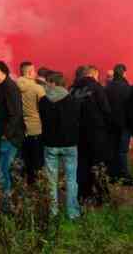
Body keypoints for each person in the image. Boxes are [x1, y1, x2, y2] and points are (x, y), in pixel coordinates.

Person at [39, 71, 81, 219]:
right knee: (71, 179)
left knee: (51, 180)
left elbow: (43, 120)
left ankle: (53, 212)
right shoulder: (74, 101)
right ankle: (73, 213)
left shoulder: (43, 101)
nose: (46, 85)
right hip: (70, 144)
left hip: (50, 144)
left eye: (48, 83)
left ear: (53, 83)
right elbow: (78, 121)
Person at [71, 65, 111, 205]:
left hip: (79, 134)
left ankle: (83, 195)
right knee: (98, 164)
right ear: (93, 75)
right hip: (96, 133)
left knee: (82, 164)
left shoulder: (73, 89)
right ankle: (102, 196)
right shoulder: (97, 88)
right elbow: (106, 110)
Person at [0, 60, 25, 211]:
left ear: (5, 73)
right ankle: (9, 203)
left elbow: (15, 114)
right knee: (5, 169)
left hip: (9, 137)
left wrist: (6, 135)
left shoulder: (10, 88)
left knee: (4, 170)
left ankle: (7, 206)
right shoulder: (0, 88)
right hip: (3, 134)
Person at [17, 61, 46, 185]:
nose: (35, 73)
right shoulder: (37, 88)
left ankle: (24, 187)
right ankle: (36, 189)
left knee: (24, 160)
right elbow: (45, 108)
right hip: (36, 129)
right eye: (34, 71)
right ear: (29, 72)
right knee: (37, 162)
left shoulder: (14, 87)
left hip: (21, 129)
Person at [105, 64, 133, 183]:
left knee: (112, 149)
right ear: (124, 73)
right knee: (122, 151)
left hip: (111, 123)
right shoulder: (127, 87)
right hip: (124, 123)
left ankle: (112, 174)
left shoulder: (107, 87)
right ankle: (124, 175)